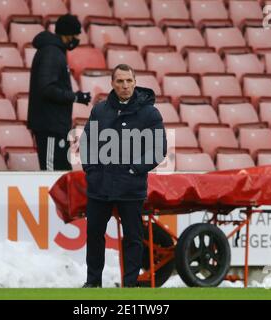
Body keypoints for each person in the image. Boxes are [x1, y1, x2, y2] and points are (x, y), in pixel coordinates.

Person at [80, 64, 167, 288]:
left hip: (131, 187)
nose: (125, 86)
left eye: (129, 81)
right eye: (120, 81)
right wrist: (92, 171)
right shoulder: (100, 110)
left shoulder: (150, 113)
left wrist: (133, 169)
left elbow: (158, 149)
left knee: (133, 238)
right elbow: (87, 143)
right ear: (112, 83)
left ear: (135, 82)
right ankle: (93, 282)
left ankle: (130, 284)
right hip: (100, 186)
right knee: (94, 234)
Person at [28, 14, 91, 171]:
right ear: (68, 34)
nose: (76, 38)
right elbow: (46, 88)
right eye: (76, 34)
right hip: (49, 125)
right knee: (51, 172)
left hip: (56, 125)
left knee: (61, 172)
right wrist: (74, 97)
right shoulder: (52, 53)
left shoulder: (56, 52)